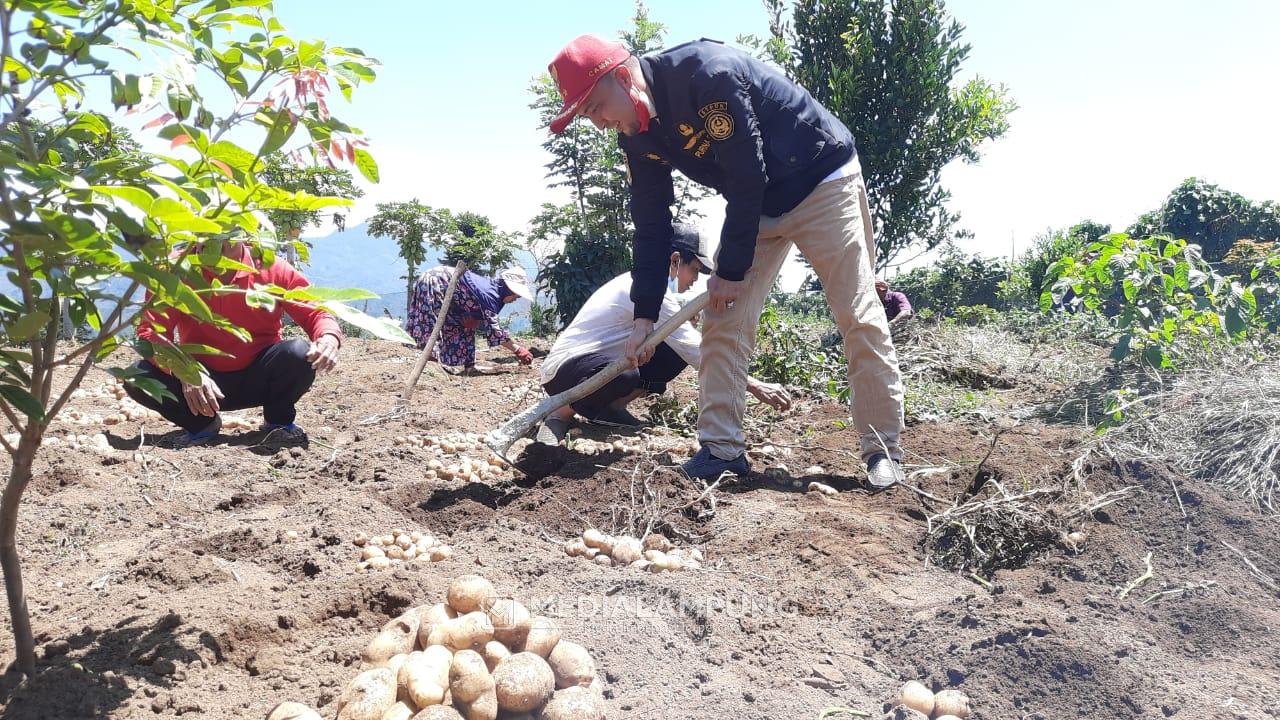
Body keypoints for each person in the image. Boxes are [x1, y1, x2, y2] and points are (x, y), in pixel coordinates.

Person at [546, 35, 907, 488]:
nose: (599, 123)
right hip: (755, 205)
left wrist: (730, 272)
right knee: (722, 319)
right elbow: (652, 226)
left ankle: (883, 451)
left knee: (856, 313)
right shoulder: (637, 135)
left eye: (596, 106)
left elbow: (746, 172)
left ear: (623, 77)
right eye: (587, 116)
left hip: (820, 179)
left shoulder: (707, 75)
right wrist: (642, 315)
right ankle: (721, 450)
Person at [535, 225, 791, 445]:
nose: (695, 280)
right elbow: (697, 351)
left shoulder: (647, 284)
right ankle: (560, 411)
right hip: (564, 372)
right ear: (676, 260)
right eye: (696, 270)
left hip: (585, 368)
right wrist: (755, 385)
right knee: (628, 374)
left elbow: (683, 344)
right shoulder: (650, 292)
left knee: (671, 353)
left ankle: (609, 409)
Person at [126, 238, 342, 447]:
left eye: (221, 238)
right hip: (200, 386)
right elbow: (150, 333)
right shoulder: (174, 269)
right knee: (137, 377)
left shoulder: (270, 266)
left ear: (241, 237)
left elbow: (314, 311)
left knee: (298, 353)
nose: (207, 246)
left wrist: (329, 337)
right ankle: (201, 425)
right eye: (202, 236)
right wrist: (185, 371)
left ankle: (278, 422)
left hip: (260, 376)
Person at [406, 265, 535, 373]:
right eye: (515, 297)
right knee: (431, 320)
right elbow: (496, 333)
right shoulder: (490, 296)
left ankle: (468, 366)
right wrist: (518, 350)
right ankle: (430, 362)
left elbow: (470, 306)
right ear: (509, 290)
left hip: (443, 286)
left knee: (465, 326)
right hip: (437, 281)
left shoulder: (493, 291)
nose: (514, 300)